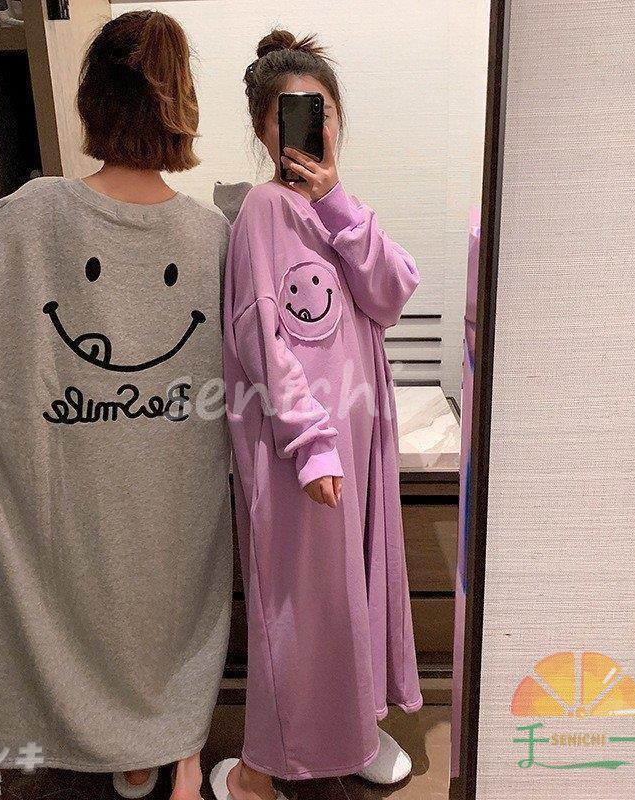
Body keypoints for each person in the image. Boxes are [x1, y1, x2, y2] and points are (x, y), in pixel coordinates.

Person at [0, 10, 231, 799]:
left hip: (75, 515)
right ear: (182, 100)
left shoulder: (33, 215)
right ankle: (162, 747)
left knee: (97, 602)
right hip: (171, 514)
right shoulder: (212, 238)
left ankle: (136, 749)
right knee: (168, 618)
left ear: (91, 100)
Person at [211, 30, 423, 800]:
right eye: (290, 114)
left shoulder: (342, 213)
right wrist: (311, 446)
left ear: (338, 120)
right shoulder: (263, 212)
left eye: (321, 110)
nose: (309, 125)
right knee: (302, 617)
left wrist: (335, 200)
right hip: (302, 458)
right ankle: (260, 773)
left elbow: (392, 292)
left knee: (352, 603)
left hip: (357, 451)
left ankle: (353, 733)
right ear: (262, 128)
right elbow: (261, 341)